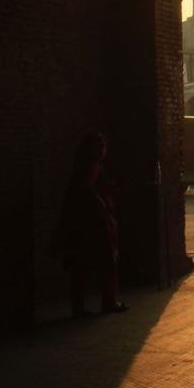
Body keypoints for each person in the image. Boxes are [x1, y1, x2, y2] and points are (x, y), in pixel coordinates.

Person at [51, 132, 129, 316]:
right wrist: (102, 203)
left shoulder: (80, 167)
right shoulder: (92, 167)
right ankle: (108, 301)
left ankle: (78, 307)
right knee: (108, 261)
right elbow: (87, 189)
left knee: (81, 266)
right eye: (102, 147)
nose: (104, 150)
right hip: (96, 221)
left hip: (80, 222)